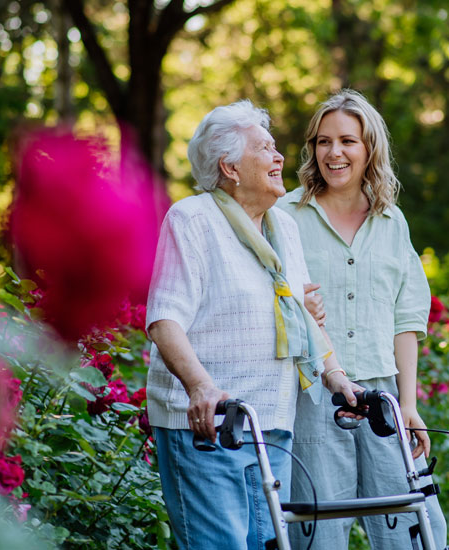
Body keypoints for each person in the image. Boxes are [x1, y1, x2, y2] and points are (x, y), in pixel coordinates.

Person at [145, 100, 361, 550]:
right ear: (230, 167)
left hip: (271, 425)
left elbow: (301, 315)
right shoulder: (193, 220)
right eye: (264, 148)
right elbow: (164, 318)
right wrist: (201, 386)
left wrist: (337, 376)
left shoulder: (283, 227)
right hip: (210, 425)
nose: (279, 156)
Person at [278, 90, 448, 550]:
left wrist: (408, 404)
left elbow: (406, 318)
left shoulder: (392, 221)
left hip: (383, 399)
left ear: (370, 148)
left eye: (347, 141)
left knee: (416, 530)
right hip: (312, 398)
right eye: (324, 141)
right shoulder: (285, 217)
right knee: (318, 535)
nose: (334, 153)